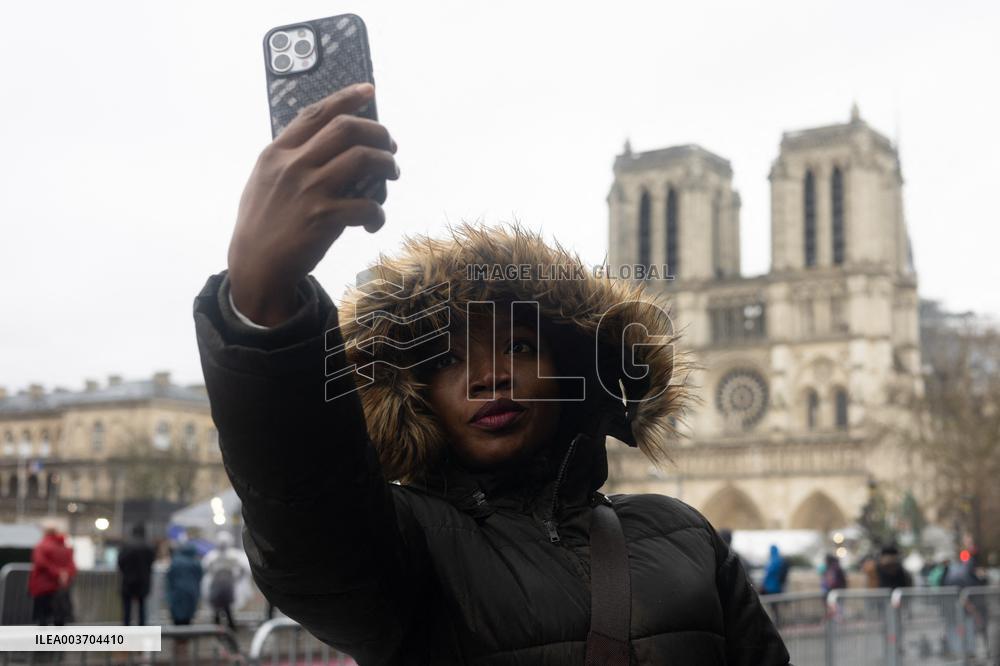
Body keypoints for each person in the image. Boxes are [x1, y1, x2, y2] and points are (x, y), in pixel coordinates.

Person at [193, 83, 790, 664]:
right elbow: (308, 507)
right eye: (447, 359)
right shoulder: (408, 548)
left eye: (522, 347)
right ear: (415, 393)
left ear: (572, 364)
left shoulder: (683, 534)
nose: (488, 379)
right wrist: (262, 301)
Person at [29, 519, 77, 626]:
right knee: (59, 618)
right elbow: (72, 566)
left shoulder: (42, 545)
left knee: (43, 619)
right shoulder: (65, 547)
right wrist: (64, 574)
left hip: (43, 586)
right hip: (60, 586)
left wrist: (57, 573)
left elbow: (40, 562)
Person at [201, 531, 248, 631]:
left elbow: (206, 568)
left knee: (222, 608)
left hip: (223, 586)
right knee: (223, 609)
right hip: (223, 585)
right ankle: (224, 628)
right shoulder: (219, 556)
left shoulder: (218, 556)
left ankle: (221, 628)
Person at [117, 523, 156, 625]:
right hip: (143, 581)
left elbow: (120, 562)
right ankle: (141, 631)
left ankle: (126, 632)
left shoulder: (126, 545)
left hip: (128, 581)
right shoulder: (149, 546)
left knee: (127, 611)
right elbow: (151, 562)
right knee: (142, 609)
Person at [166, 542, 203, 625]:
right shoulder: (196, 562)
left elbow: (170, 576)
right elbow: (200, 576)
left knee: (177, 614)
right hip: (192, 591)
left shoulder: (175, 561)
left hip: (176, 591)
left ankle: (178, 635)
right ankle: (186, 635)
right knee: (188, 614)